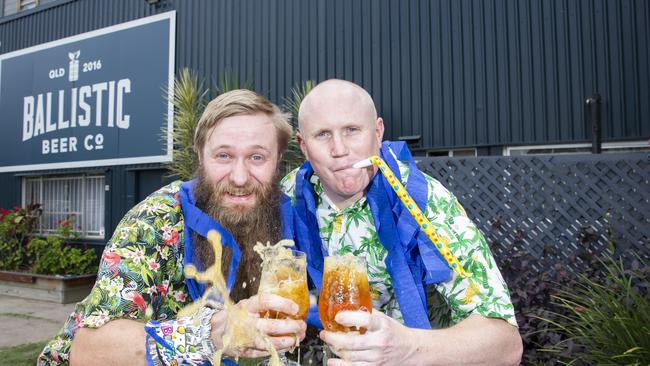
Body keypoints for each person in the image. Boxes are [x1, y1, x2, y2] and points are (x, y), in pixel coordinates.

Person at [38, 90, 307, 365]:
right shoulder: (156, 219)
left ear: (278, 160)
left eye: (257, 157)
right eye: (224, 156)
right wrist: (212, 334)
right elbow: (89, 351)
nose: (239, 178)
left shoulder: (287, 219)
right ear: (200, 156)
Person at [281, 79, 523, 365]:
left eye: (352, 130)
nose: (339, 149)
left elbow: (507, 344)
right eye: (323, 135)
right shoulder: (290, 197)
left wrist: (409, 348)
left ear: (378, 132)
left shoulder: (427, 203)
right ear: (304, 146)